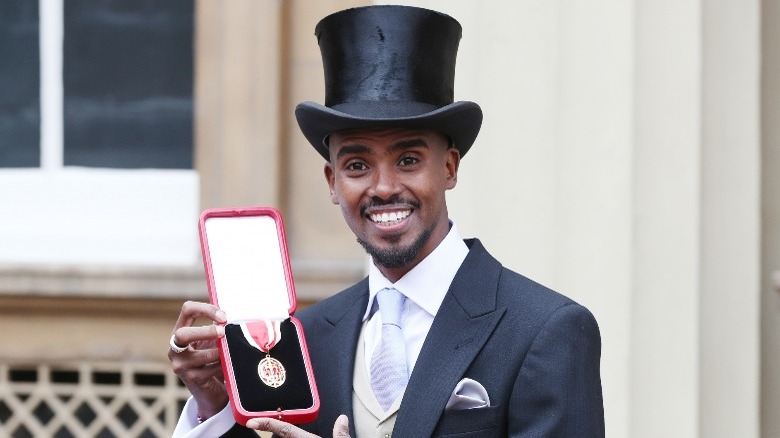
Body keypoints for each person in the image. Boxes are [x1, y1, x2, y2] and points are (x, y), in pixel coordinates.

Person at [169, 5, 604, 437]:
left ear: (450, 168)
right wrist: (215, 401)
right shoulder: (308, 336)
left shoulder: (546, 330)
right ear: (333, 182)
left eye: (408, 159)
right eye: (357, 165)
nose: (382, 187)